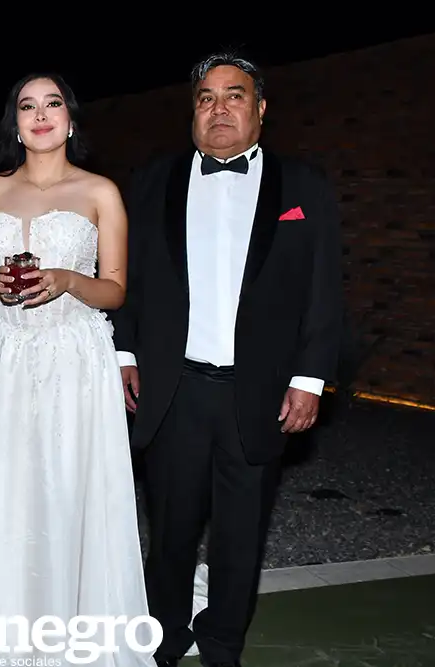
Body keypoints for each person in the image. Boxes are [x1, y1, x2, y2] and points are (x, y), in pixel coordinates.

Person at [111, 51, 344, 666]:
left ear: (260, 109)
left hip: (260, 391)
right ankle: (164, 637)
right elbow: (127, 277)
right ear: (192, 112)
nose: (219, 109)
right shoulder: (152, 181)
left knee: (241, 535)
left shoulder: (303, 187)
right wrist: (124, 352)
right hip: (173, 389)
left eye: (234, 96)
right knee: (170, 530)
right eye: (206, 98)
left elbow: (324, 287)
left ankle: (222, 644)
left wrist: (310, 378)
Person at [0, 73, 158, 667]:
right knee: (4, 490)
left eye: (52, 104)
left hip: (74, 356)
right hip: (2, 353)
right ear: (15, 123)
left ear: (70, 118)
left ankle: (80, 635)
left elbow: (116, 290)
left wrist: (69, 280)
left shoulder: (101, 192)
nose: (41, 115)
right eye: (28, 106)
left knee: (71, 488)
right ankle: (11, 637)